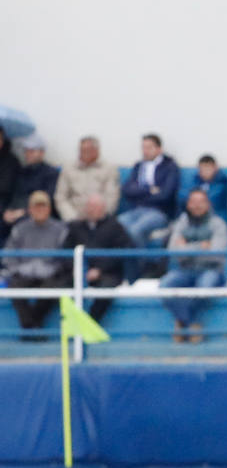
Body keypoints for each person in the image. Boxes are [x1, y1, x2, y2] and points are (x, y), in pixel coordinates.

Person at [159, 189, 227, 343]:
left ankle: (182, 323)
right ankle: (191, 323)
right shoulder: (181, 224)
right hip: (185, 270)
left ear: (208, 204)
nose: (197, 206)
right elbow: (172, 252)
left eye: (200, 202)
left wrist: (186, 247)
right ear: (188, 204)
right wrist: (201, 246)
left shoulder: (218, 224)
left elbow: (216, 253)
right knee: (165, 285)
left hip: (211, 270)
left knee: (205, 286)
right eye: (193, 202)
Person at [3, 190, 67, 338]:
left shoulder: (60, 229)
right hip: (24, 273)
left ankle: (31, 327)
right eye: (36, 207)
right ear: (29, 209)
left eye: (43, 206)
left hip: (50, 273)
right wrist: (20, 269)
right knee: (15, 286)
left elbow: (64, 258)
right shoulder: (20, 229)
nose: (40, 210)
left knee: (53, 288)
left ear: (49, 208)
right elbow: (9, 255)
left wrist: (51, 269)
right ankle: (32, 327)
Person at [62, 193, 133, 323]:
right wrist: (77, 269)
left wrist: (99, 269)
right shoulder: (76, 226)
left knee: (106, 290)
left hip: (107, 273)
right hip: (79, 271)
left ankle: (90, 324)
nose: (91, 210)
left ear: (103, 208)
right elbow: (65, 251)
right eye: (89, 207)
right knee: (59, 286)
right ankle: (70, 324)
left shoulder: (115, 226)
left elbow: (121, 251)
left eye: (95, 207)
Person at [118, 133, 180, 280]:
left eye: (149, 147)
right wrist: (149, 189)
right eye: (143, 147)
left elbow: (166, 194)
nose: (145, 151)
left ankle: (141, 269)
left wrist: (139, 191)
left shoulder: (170, 167)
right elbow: (127, 190)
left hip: (158, 212)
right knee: (115, 226)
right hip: (135, 210)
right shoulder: (138, 166)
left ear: (159, 149)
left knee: (135, 231)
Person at [54, 136, 120, 224]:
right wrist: (71, 217)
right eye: (81, 150)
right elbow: (61, 197)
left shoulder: (109, 169)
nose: (82, 153)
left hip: (100, 219)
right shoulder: (68, 168)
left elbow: (111, 198)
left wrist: (99, 217)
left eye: (87, 150)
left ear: (97, 151)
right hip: (73, 218)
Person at [182, 154, 227, 221]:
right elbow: (185, 197)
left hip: (216, 216)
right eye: (202, 169)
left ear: (215, 168)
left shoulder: (222, 182)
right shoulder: (195, 181)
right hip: (194, 218)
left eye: (208, 168)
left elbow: (211, 200)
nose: (205, 172)